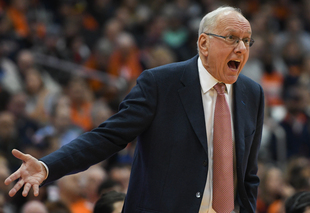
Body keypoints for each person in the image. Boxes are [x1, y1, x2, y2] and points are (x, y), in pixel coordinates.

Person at [4, 6, 264, 213]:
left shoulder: (253, 94)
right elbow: (108, 136)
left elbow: (247, 175)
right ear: (204, 44)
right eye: (231, 38)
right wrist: (48, 166)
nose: (241, 49)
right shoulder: (161, 84)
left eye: (246, 41)